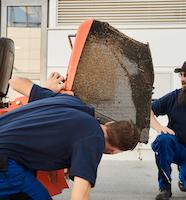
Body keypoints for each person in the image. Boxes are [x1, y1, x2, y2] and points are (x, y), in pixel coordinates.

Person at [0, 72, 140, 200]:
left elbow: (15, 81)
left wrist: (45, 89)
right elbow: (79, 195)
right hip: (5, 159)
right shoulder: (94, 141)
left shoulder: (72, 102)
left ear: (110, 123)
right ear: (115, 151)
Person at [150, 58, 186, 200]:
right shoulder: (175, 97)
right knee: (163, 140)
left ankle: (184, 177)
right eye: (181, 75)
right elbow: (148, 111)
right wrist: (158, 127)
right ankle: (165, 188)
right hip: (179, 147)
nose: (182, 79)